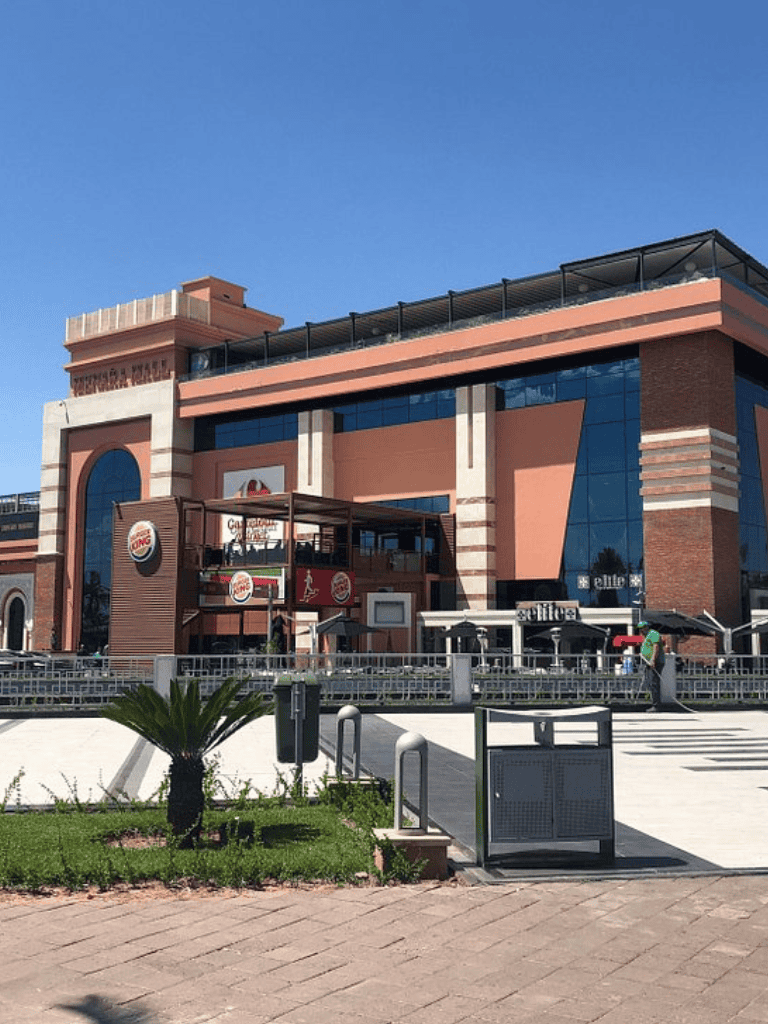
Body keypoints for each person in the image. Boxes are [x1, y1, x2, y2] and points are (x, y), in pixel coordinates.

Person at [638, 620, 665, 711]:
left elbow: (655, 647)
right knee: (650, 682)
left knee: (654, 683)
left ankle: (656, 705)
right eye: (640, 629)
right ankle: (654, 703)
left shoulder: (653, 634)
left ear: (646, 627)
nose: (641, 630)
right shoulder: (646, 636)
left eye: (642, 628)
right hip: (649, 662)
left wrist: (653, 660)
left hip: (655, 662)